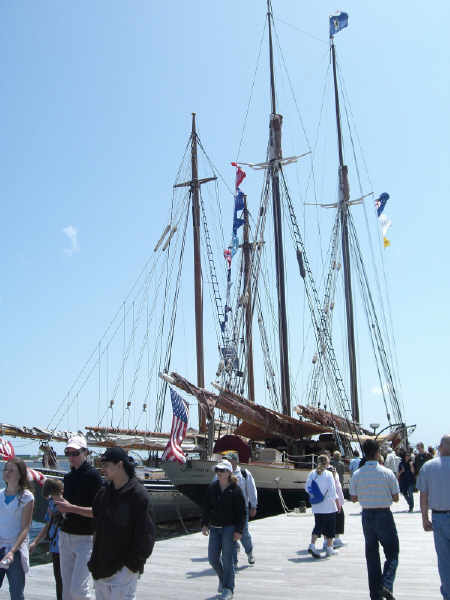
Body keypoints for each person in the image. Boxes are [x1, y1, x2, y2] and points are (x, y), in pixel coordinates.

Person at [87, 447, 156, 600]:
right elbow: (95, 528)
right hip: (101, 571)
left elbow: (146, 536)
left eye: (105, 465)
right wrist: (94, 561)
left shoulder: (138, 495)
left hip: (123, 572)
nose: (102, 469)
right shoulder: (103, 494)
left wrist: (131, 568)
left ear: (119, 465)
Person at [350, 439, 399, 600]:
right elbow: (396, 498)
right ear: (378, 453)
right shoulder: (387, 473)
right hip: (384, 514)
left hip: (366, 515)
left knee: (371, 557)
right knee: (392, 552)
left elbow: (353, 498)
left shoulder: (357, 474)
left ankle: (375, 596)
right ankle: (386, 584)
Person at [56, 436, 102, 600]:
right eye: (68, 453)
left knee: (78, 589)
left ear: (85, 453)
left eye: (75, 453)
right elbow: (68, 507)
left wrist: (71, 508)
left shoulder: (93, 477)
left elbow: (98, 511)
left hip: (85, 539)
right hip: (66, 536)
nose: (71, 457)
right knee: (67, 591)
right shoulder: (68, 478)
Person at [202, 459, 246, 600]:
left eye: (221, 470)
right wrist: (204, 524)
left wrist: (239, 530)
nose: (218, 473)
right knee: (213, 559)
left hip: (230, 528)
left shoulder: (236, 490)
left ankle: (228, 589)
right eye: (217, 470)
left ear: (228, 472)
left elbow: (242, 513)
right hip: (215, 528)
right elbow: (207, 507)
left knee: (228, 560)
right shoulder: (212, 488)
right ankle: (222, 578)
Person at [417, 434, 450, 600]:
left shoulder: (429, 466)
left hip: (440, 518)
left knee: (444, 562)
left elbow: (423, 496)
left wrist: (424, 518)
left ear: (441, 447)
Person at [0, 457, 34, 600]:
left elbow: (25, 528)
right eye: (5, 469)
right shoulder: (0, 494)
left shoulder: (26, 497)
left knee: (16, 593)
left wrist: (13, 552)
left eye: (11, 470)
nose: (7, 472)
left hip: (16, 550)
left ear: (20, 475)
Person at [29, 478, 65, 600]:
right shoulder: (51, 504)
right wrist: (34, 543)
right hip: (55, 547)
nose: (51, 500)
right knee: (58, 580)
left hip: (67, 547)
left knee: (67, 580)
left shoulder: (67, 505)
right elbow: (48, 526)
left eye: (53, 497)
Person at [224, 452, 257, 567]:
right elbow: (214, 488)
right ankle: (233, 562)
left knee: (243, 532)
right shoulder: (222, 473)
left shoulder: (244, 473)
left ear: (235, 461)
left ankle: (249, 551)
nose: (228, 463)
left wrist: (253, 505)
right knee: (229, 534)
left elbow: (251, 489)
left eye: (230, 461)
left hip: (242, 508)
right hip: (228, 509)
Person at [306, 454, 340, 558]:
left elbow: (307, 488)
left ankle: (312, 545)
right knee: (330, 526)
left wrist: (316, 495)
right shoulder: (328, 475)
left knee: (318, 525)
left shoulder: (312, 474)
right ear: (326, 464)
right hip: (329, 506)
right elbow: (333, 492)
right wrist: (338, 505)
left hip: (317, 505)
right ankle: (329, 549)